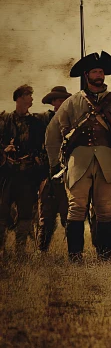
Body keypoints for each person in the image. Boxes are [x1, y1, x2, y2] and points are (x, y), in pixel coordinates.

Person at [45, 52, 111, 261]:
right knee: (76, 208)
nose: (99, 75)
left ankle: (104, 257)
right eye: (95, 71)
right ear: (87, 75)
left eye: (101, 71)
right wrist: (56, 163)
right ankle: (75, 256)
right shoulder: (72, 102)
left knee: (105, 209)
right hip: (77, 161)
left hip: (107, 161)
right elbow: (52, 133)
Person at [0, 85, 48, 255]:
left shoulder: (36, 123)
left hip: (27, 174)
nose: (32, 99)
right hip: (6, 174)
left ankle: (20, 251)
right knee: (2, 212)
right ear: (19, 98)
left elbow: (42, 146)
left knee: (26, 213)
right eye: (29, 95)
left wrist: (38, 161)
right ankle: (1, 250)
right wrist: (5, 150)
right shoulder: (4, 120)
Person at [36, 86, 72, 252]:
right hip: (47, 174)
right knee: (46, 216)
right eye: (58, 100)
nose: (61, 102)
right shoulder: (43, 120)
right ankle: (41, 250)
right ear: (53, 102)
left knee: (69, 215)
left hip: (67, 174)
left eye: (63, 100)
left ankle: (72, 251)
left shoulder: (72, 119)